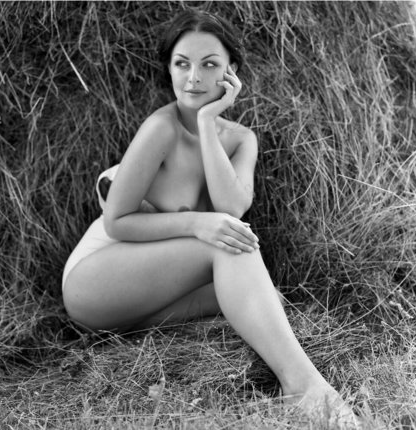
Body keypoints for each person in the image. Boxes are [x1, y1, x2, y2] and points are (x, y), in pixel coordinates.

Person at [62, 8, 358, 427]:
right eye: (182, 64)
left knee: (263, 297)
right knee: (229, 243)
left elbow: (231, 207)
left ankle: (287, 383)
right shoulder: (160, 128)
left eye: (209, 65)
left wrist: (205, 122)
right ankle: (305, 387)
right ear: (169, 69)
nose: (193, 78)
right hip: (95, 279)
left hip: (148, 296)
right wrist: (197, 223)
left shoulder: (240, 140)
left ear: (231, 72)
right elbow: (117, 221)